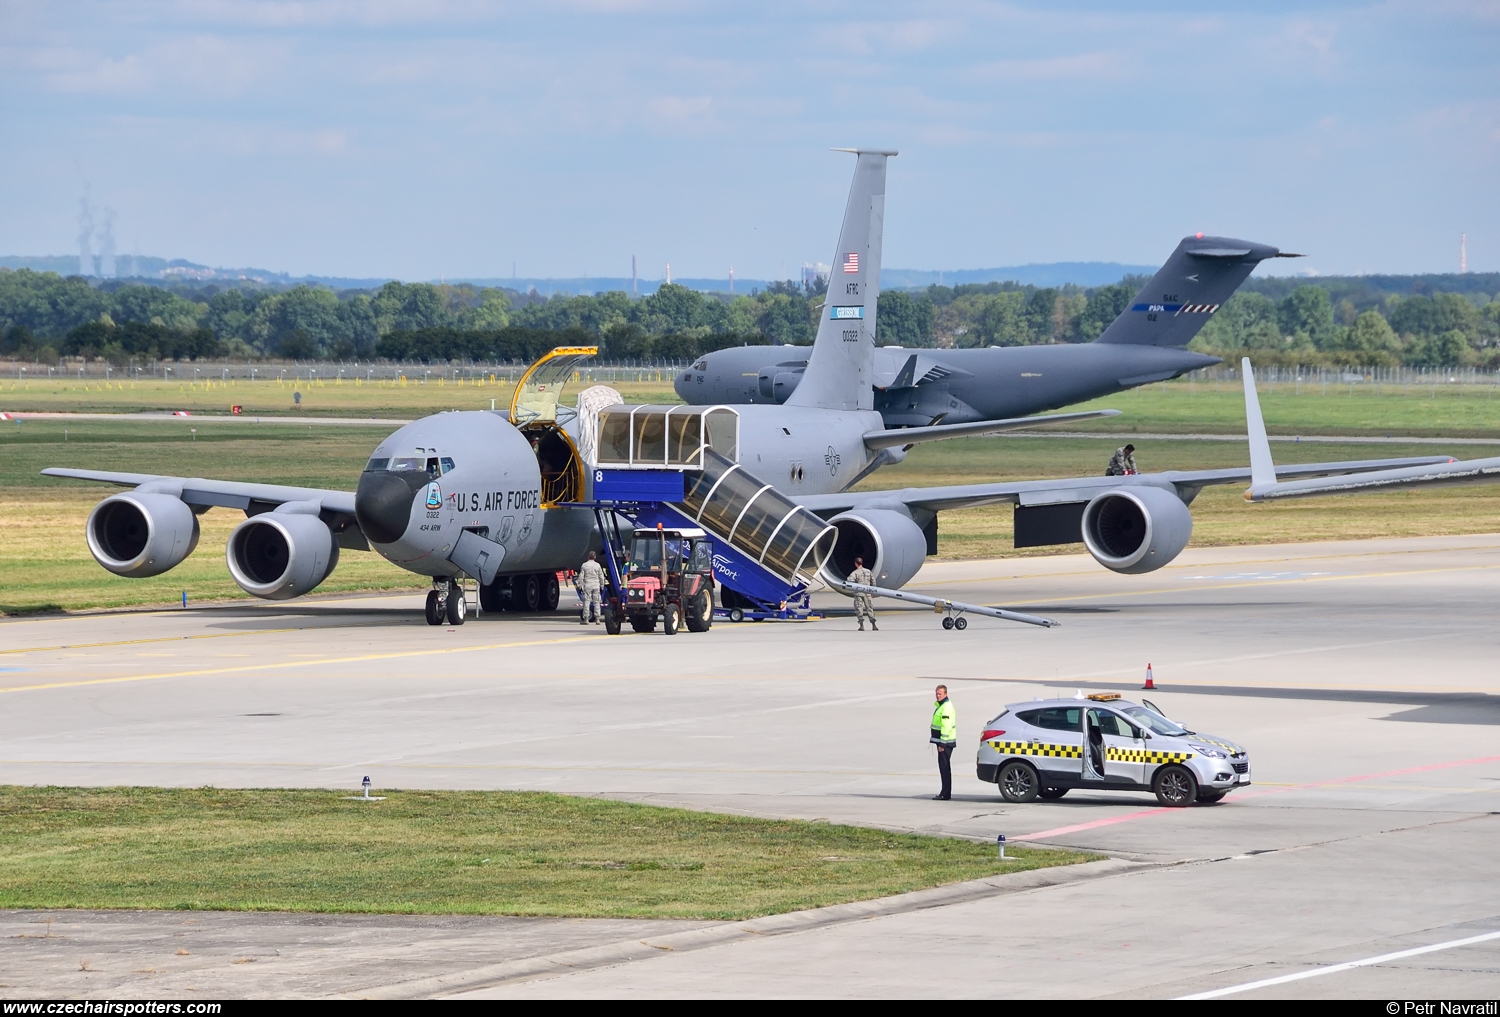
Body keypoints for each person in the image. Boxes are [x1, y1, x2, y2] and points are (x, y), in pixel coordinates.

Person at [930, 684, 957, 800]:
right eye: (936, 693)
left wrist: (942, 743)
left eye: (940, 694)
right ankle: (945, 792)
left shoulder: (946, 707)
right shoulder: (942, 705)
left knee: (944, 768)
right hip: (943, 741)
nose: (938, 696)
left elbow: (946, 726)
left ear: (946, 694)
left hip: (945, 742)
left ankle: (945, 793)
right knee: (944, 767)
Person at [848, 556, 877, 631]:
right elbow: (873, 581)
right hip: (867, 592)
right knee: (870, 608)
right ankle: (874, 625)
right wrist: (872, 591)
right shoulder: (868, 571)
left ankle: (861, 625)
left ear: (856, 564)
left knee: (859, 609)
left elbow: (849, 581)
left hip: (859, 593)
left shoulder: (855, 573)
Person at [577, 551, 605, 625]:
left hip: (588, 585)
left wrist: (580, 585)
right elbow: (601, 576)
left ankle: (586, 619)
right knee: (597, 602)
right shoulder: (597, 565)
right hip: (596, 585)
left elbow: (581, 577)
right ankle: (597, 619)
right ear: (595, 557)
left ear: (588, 557)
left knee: (586, 602)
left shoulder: (584, 565)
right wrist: (602, 585)